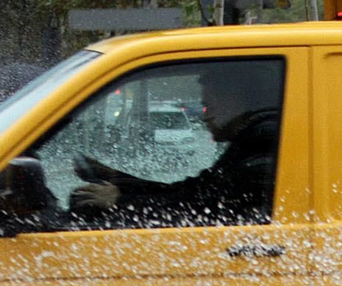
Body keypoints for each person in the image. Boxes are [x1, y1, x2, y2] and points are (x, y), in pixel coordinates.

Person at [69, 60, 282, 228]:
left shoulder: (262, 146)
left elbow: (202, 209)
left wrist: (120, 202)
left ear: (233, 102)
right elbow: (188, 192)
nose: (204, 117)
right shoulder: (250, 142)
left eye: (207, 107)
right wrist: (117, 178)